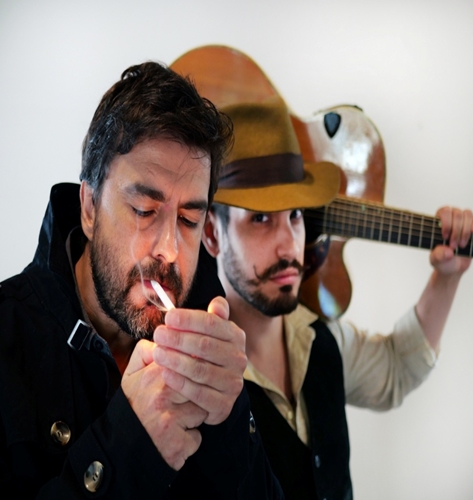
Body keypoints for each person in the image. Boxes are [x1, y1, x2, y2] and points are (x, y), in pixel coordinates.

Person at [0, 62, 284, 499]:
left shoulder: (211, 341)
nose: (169, 249)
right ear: (90, 208)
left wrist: (228, 417)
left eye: (188, 220)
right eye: (144, 211)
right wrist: (128, 446)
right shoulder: (8, 335)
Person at [201, 97, 473, 500]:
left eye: (295, 215)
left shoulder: (320, 338)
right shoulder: (193, 372)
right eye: (260, 219)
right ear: (213, 234)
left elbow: (397, 369)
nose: (288, 244)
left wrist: (447, 276)